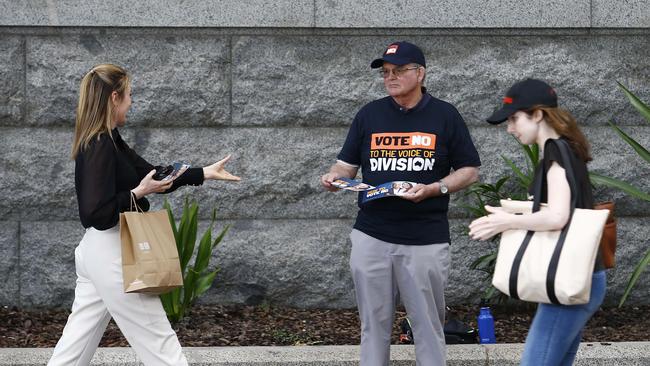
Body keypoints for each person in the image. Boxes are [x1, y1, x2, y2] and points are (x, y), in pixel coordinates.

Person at [48, 64, 240, 366]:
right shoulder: (99, 144)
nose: (131, 102)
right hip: (115, 254)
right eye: (129, 95)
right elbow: (94, 212)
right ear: (114, 97)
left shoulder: (111, 139)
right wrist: (139, 193)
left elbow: (152, 175)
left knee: (73, 350)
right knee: (161, 346)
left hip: (100, 252)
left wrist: (203, 173)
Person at [321, 41, 481, 366]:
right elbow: (346, 166)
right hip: (372, 235)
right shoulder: (369, 114)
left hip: (425, 237)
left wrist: (435, 188)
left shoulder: (445, 115)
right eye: (386, 72)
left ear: (420, 73)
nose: (390, 77)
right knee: (373, 327)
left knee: (427, 326)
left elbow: (469, 171)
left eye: (399, 71)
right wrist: (334, 177)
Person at [468, 78, 606, 366]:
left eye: (515, 119)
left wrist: (507, 222)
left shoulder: (555, 150)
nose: (510, 128)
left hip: (570, 276)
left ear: (539, 114)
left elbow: (558, 216)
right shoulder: (567, 148)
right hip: (577, 274)